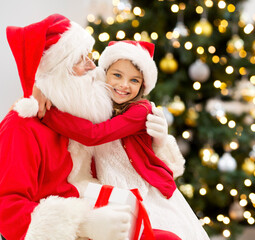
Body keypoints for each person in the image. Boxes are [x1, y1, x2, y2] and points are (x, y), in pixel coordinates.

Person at [0, 14, 177, 240]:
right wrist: (83, 225)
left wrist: (160, 143)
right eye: (81, 60)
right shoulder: (21, 126)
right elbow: (7, 210)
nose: (93, 67)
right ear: (59, 69)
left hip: (103, 209)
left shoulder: (82, 116)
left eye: (90, 57)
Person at [39, 40, 210, 240]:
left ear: (143, 85)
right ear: (104, 74)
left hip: (144, 189)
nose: (124, 85)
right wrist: (45, 91)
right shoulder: (98, 103)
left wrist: (48, 114)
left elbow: (95, 135)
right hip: (111, 188)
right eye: (117, 75)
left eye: (134, 80)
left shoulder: (140, 110)